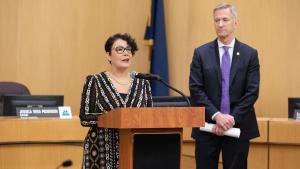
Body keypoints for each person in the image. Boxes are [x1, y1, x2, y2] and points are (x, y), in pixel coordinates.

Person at [189, 3, 260, 169]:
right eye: (217, 20)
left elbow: (252, 92)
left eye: (225, 20)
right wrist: (217, 116)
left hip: (238, 128)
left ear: (235, 23)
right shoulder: (201, 53)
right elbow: (196, 89)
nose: (220, 24)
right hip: (207, 128)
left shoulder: (250, 54)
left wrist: (231, 118)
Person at [79, 33, 153, 169]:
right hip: (101, 151)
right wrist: (114, 118)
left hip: (135, 151)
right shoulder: (95, 81)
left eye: (129, 50)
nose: (126, 53)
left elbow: (148, 118)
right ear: (108, 55)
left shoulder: (143, 84)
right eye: (120, 50)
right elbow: (84, 118)